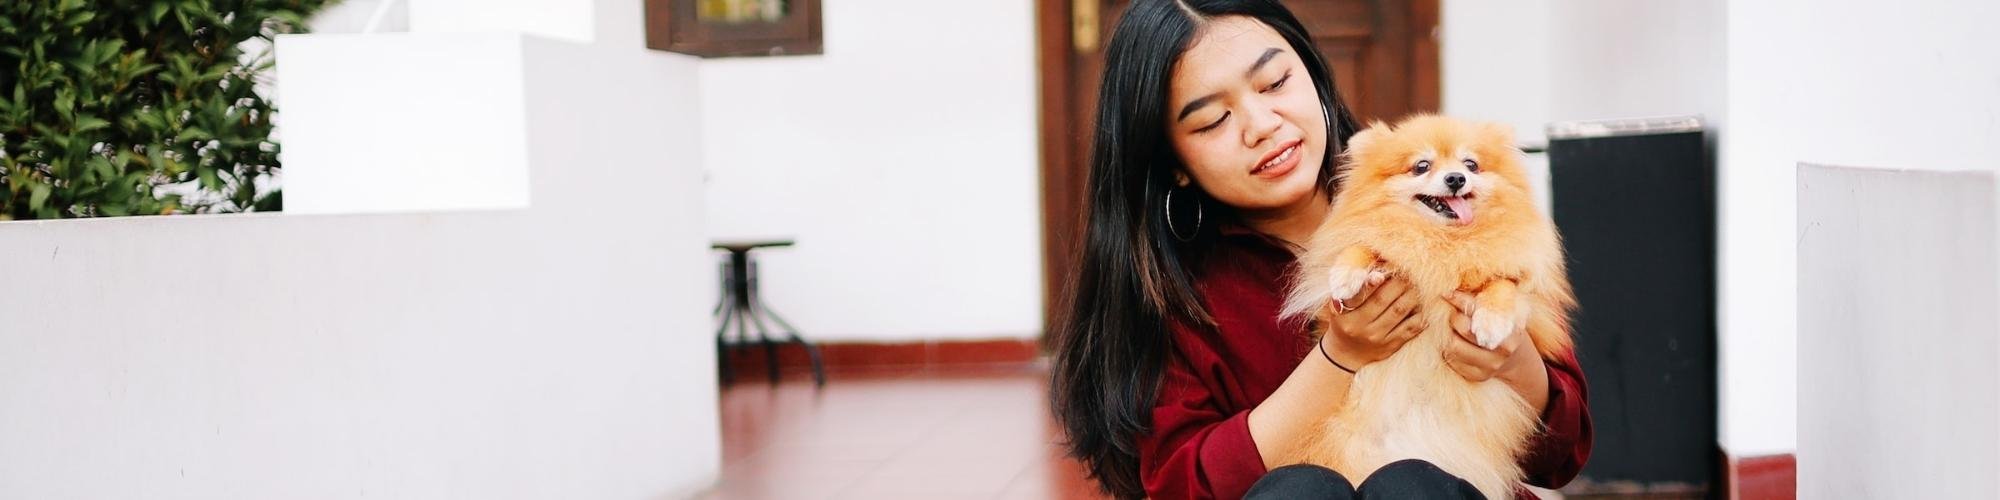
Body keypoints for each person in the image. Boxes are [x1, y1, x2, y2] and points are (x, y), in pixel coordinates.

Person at [1046, 1, 1593, 498]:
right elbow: (1183, 486)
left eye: (1276, 82)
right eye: (1214, 119)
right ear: (1173, 164)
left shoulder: (1463, 221)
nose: (1262, 126)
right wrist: (1340, 357)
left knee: (1412, 487)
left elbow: (1561, 453)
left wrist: (1514, 361)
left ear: (1312, 72)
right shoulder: (1173, 292)